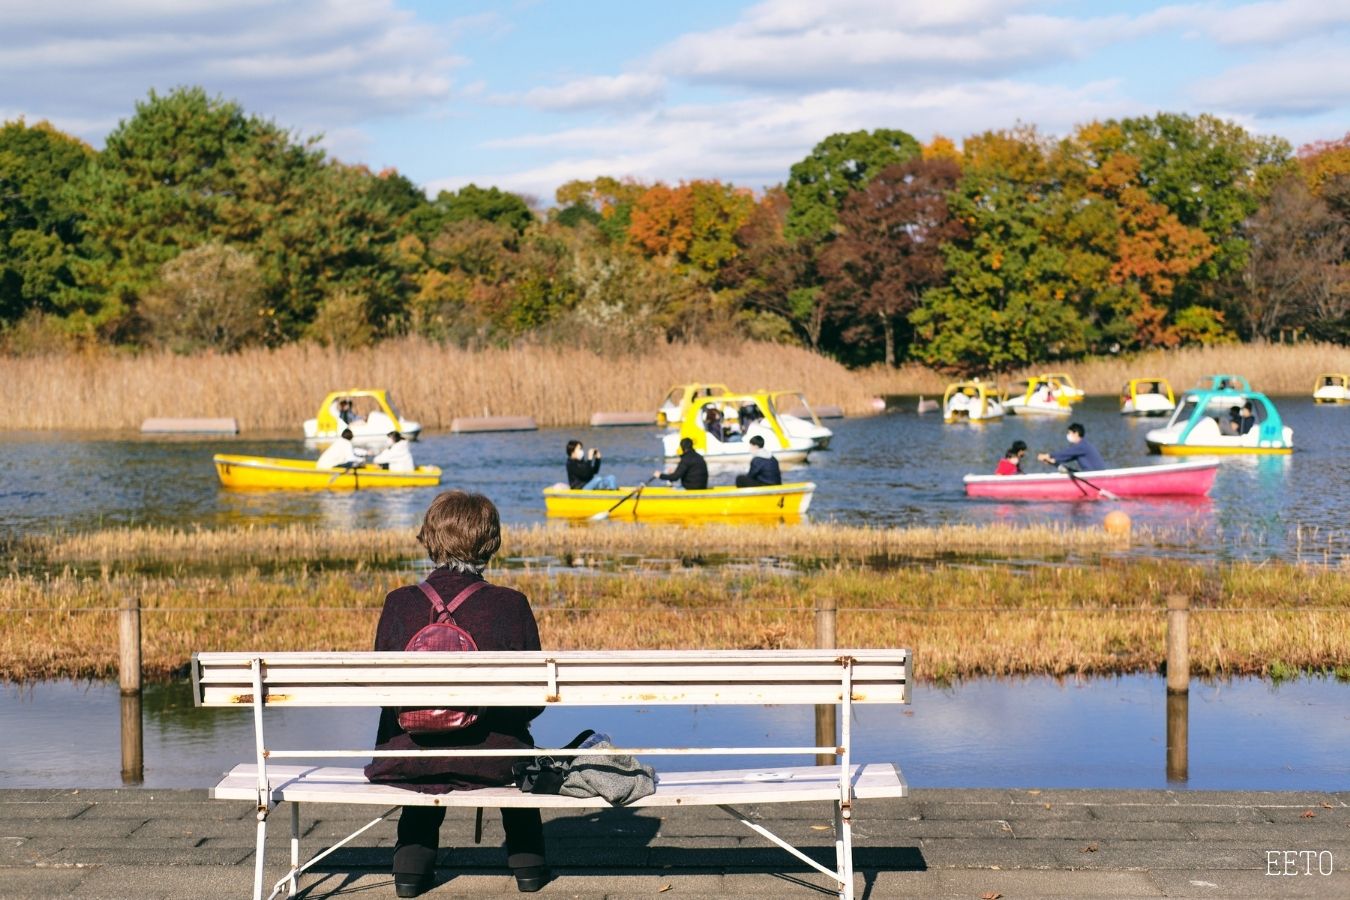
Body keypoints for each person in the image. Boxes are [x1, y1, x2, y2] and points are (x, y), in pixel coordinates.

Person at [365, 491, 549, 896]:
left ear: (429, 539)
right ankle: (528, 867)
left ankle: (411, 873)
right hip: (493, 760)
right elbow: (533, 699)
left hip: (409, 759)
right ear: (491, 542)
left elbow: (384, 693)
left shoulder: (398, 604)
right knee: (517, 748)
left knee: (422, 755)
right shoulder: (510, 604)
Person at [1037, 423, 1105, 472]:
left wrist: (1048, 455)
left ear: (1076, 433)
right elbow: (1066, 458)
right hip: (1089, 475)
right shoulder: (1078, 448)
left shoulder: (1083, 446)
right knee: (1064, 469)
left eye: (1069, 433)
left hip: (1095, 476)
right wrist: (1051, 460)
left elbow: (1065, 453)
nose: (1068, 435)